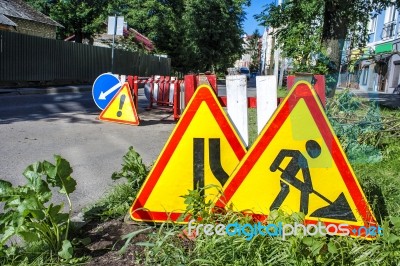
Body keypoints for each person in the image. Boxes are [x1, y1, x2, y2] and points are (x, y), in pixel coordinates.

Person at [269, 140, 321, 215]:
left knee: (305, 188)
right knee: (288, 189)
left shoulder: (304, 160)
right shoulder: (297, 153)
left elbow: (306, 175)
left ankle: (303, 213)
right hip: (286, 175)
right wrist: (274, 165)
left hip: (291, 178)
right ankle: (273, 209)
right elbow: (283, 152)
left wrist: (310, 186)